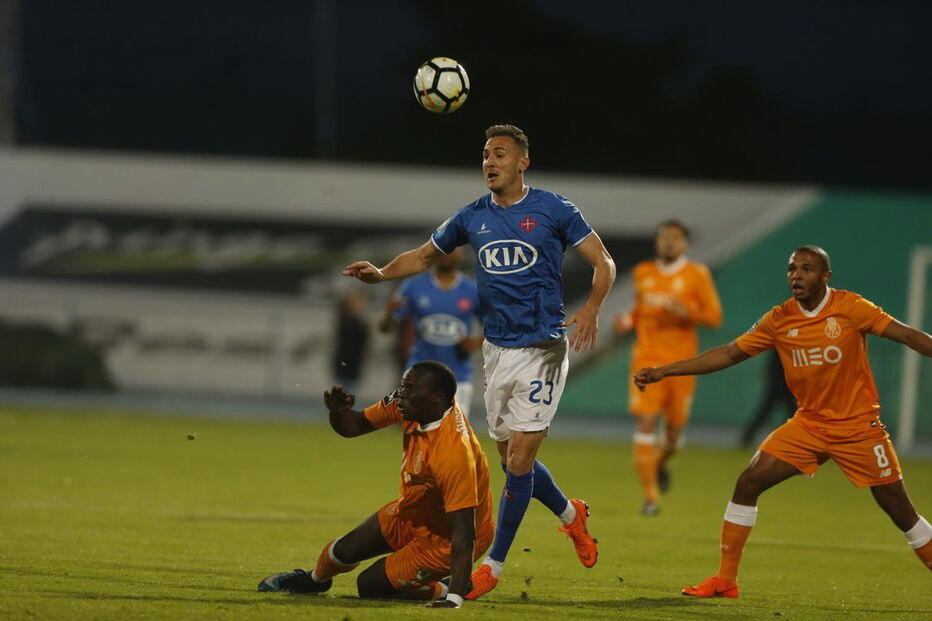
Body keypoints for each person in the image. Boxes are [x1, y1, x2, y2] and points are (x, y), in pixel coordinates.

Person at [344, 124, 616, 600]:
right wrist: (383, 273)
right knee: (512, 461)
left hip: (544, 350)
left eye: (501, 155)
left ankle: (492, 566)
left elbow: (604, 263)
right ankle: (572, 516)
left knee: (520, 461)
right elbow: (426, 255)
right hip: (497, 352)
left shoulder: (554, 209)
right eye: (486, 155)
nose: (490, 162)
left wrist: (592, 307)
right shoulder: (473, 217)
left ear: (522, 162)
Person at [633, 245, 932, 598]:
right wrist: (666, 371)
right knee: (748, 483)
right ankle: (726, 579)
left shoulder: (851, 308)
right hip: (808, 425)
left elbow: (910, 336)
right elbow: (730, 353)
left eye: (807, 269)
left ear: (825, 276)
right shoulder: (779, 319)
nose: (796, 275)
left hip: (857, 427)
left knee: (900, 511)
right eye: (792, 269)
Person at [258, 361, 494, 609]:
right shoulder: (410, 405)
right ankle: (315, 581)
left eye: (410, 388)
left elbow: (465, 530)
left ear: (436, 398)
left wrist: (452, 600)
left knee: (369, 586)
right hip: (416, 510)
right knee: (343, 550)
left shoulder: (455, 453)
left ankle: (450, 586)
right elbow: (354, 425)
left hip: (448, 537)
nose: (402, 394)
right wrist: (338, 411)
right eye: (403, 386)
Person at [613, 220, 722, 515]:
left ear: (685, 244)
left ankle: (659, 463)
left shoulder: (697, 275)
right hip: (645, 361)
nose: (668, 242)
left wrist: (688, 311)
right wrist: (628, 320)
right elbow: (641, 311)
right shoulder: (643, 273)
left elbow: (714, 317)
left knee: (673, 437)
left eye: (675, 238)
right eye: (664, 237)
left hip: (681, 366)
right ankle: (651, 499)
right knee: (646, 423)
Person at [379, 247, 482, 415]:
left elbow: (494, 325)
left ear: (461, 254)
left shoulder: (472, 290)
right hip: (419, 375)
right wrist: (389, 315)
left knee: (453, 436)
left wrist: (476, 342)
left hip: (458, 376)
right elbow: (385, 328)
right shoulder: (413, 286)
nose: (448, 255)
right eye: (444, 249)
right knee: (419, 435)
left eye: (453, 250)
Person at [739, 351, 795, 448]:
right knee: (793, 414)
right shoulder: (784, 349)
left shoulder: (783, 348)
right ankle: (747, 437)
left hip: (782, 385)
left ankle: (747, 437)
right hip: (780, 386)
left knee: (768, 412)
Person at [333, 290, 369, 392]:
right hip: (346, 361)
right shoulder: (346, 321)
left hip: (353, 362)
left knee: (348, 389)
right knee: (345, 389)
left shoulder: (356, 322)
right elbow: (350, 339)